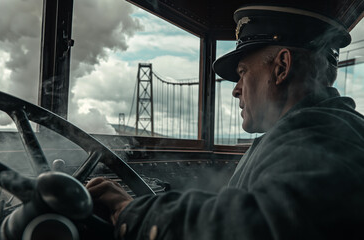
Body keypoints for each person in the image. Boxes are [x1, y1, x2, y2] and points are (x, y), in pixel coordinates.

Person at [87, 5, 364, 240]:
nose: (235, 89)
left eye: (243, 73)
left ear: (281, 67)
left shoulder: (319, 133)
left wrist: (130, 212)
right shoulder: (312, 128)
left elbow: (260, 226)